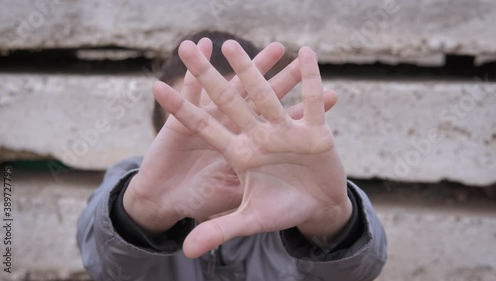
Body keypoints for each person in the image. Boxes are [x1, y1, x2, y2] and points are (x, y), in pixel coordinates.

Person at [76, 31, 387, 281]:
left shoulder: (298, 196)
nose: (222, 148)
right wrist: (143, 210)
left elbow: (357, 271)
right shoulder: (131, 181)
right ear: (158, 135)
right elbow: (102, 265)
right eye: (196, 126)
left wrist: (328, 218)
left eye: (238, 123)